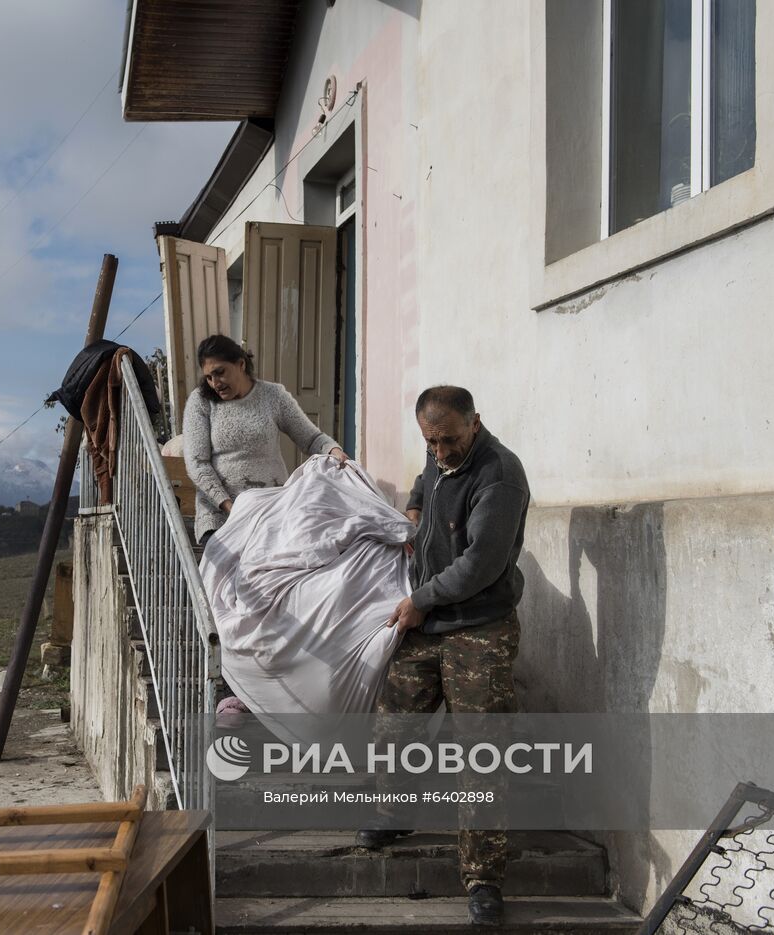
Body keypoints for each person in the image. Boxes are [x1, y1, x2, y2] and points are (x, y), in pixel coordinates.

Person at [357, 385, 530, 928]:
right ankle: (395, 812)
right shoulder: (439, 461)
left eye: (449, 440)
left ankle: (483, 878)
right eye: (430, 441)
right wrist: (414, 508)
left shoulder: (499, 474)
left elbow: (481, 563)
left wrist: (418, 600)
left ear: (475, 422)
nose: (439, 452)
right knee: (395, 723)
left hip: (478, 627)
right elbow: (425, 485)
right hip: (429, 620)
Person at [182, 334, 348, 547]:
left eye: (219, 373)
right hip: (222, 516)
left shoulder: (273, 396)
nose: (215, 383)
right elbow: (197, 463)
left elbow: (311, 438)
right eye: (208, 377)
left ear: (241, 364)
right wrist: (231, 508)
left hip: (272, 511)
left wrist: (334, 451)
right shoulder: (201, 402)